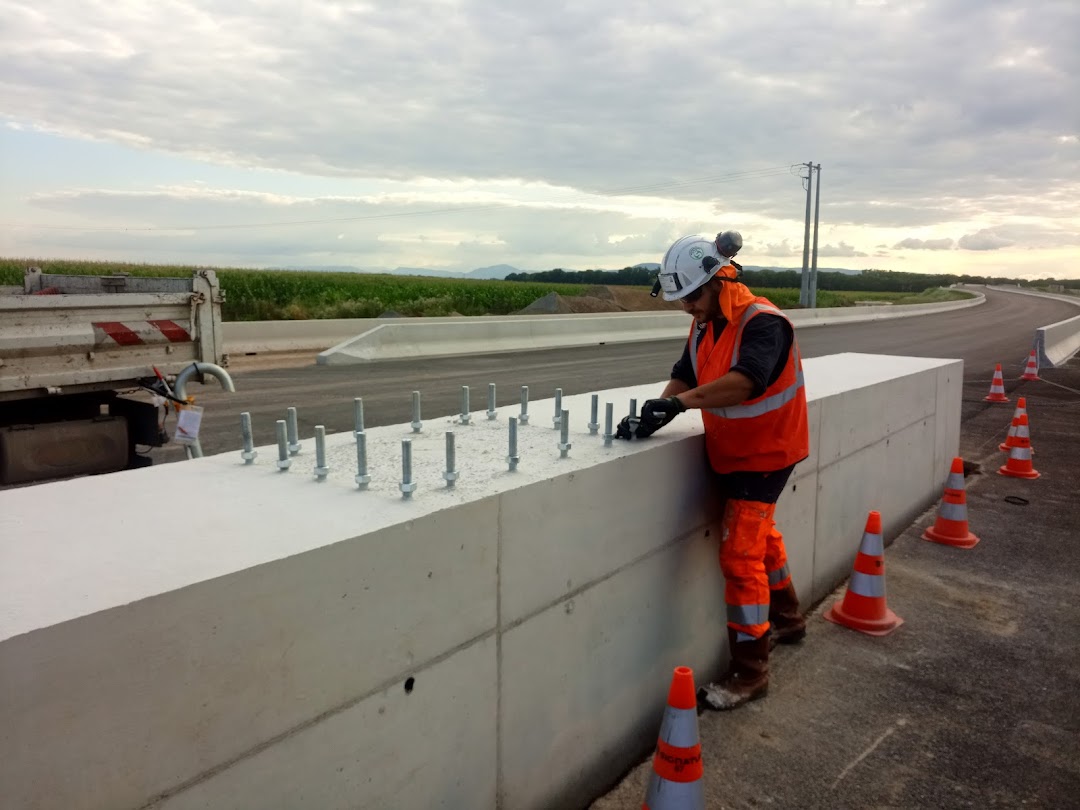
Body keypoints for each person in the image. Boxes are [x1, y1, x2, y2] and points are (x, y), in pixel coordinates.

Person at [616, 231, 810, 711]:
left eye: (692, 297)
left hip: (767, 453)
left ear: (720, 278)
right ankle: (788, 618)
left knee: (739, 556)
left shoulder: (763, 323)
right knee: (761, 537)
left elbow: (745, 383)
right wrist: (656, 410)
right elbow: (688, 371)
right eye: (681, 300)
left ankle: (751, 672)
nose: (687, 308)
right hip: (734, 451)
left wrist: (678, 405)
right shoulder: (705, 322)